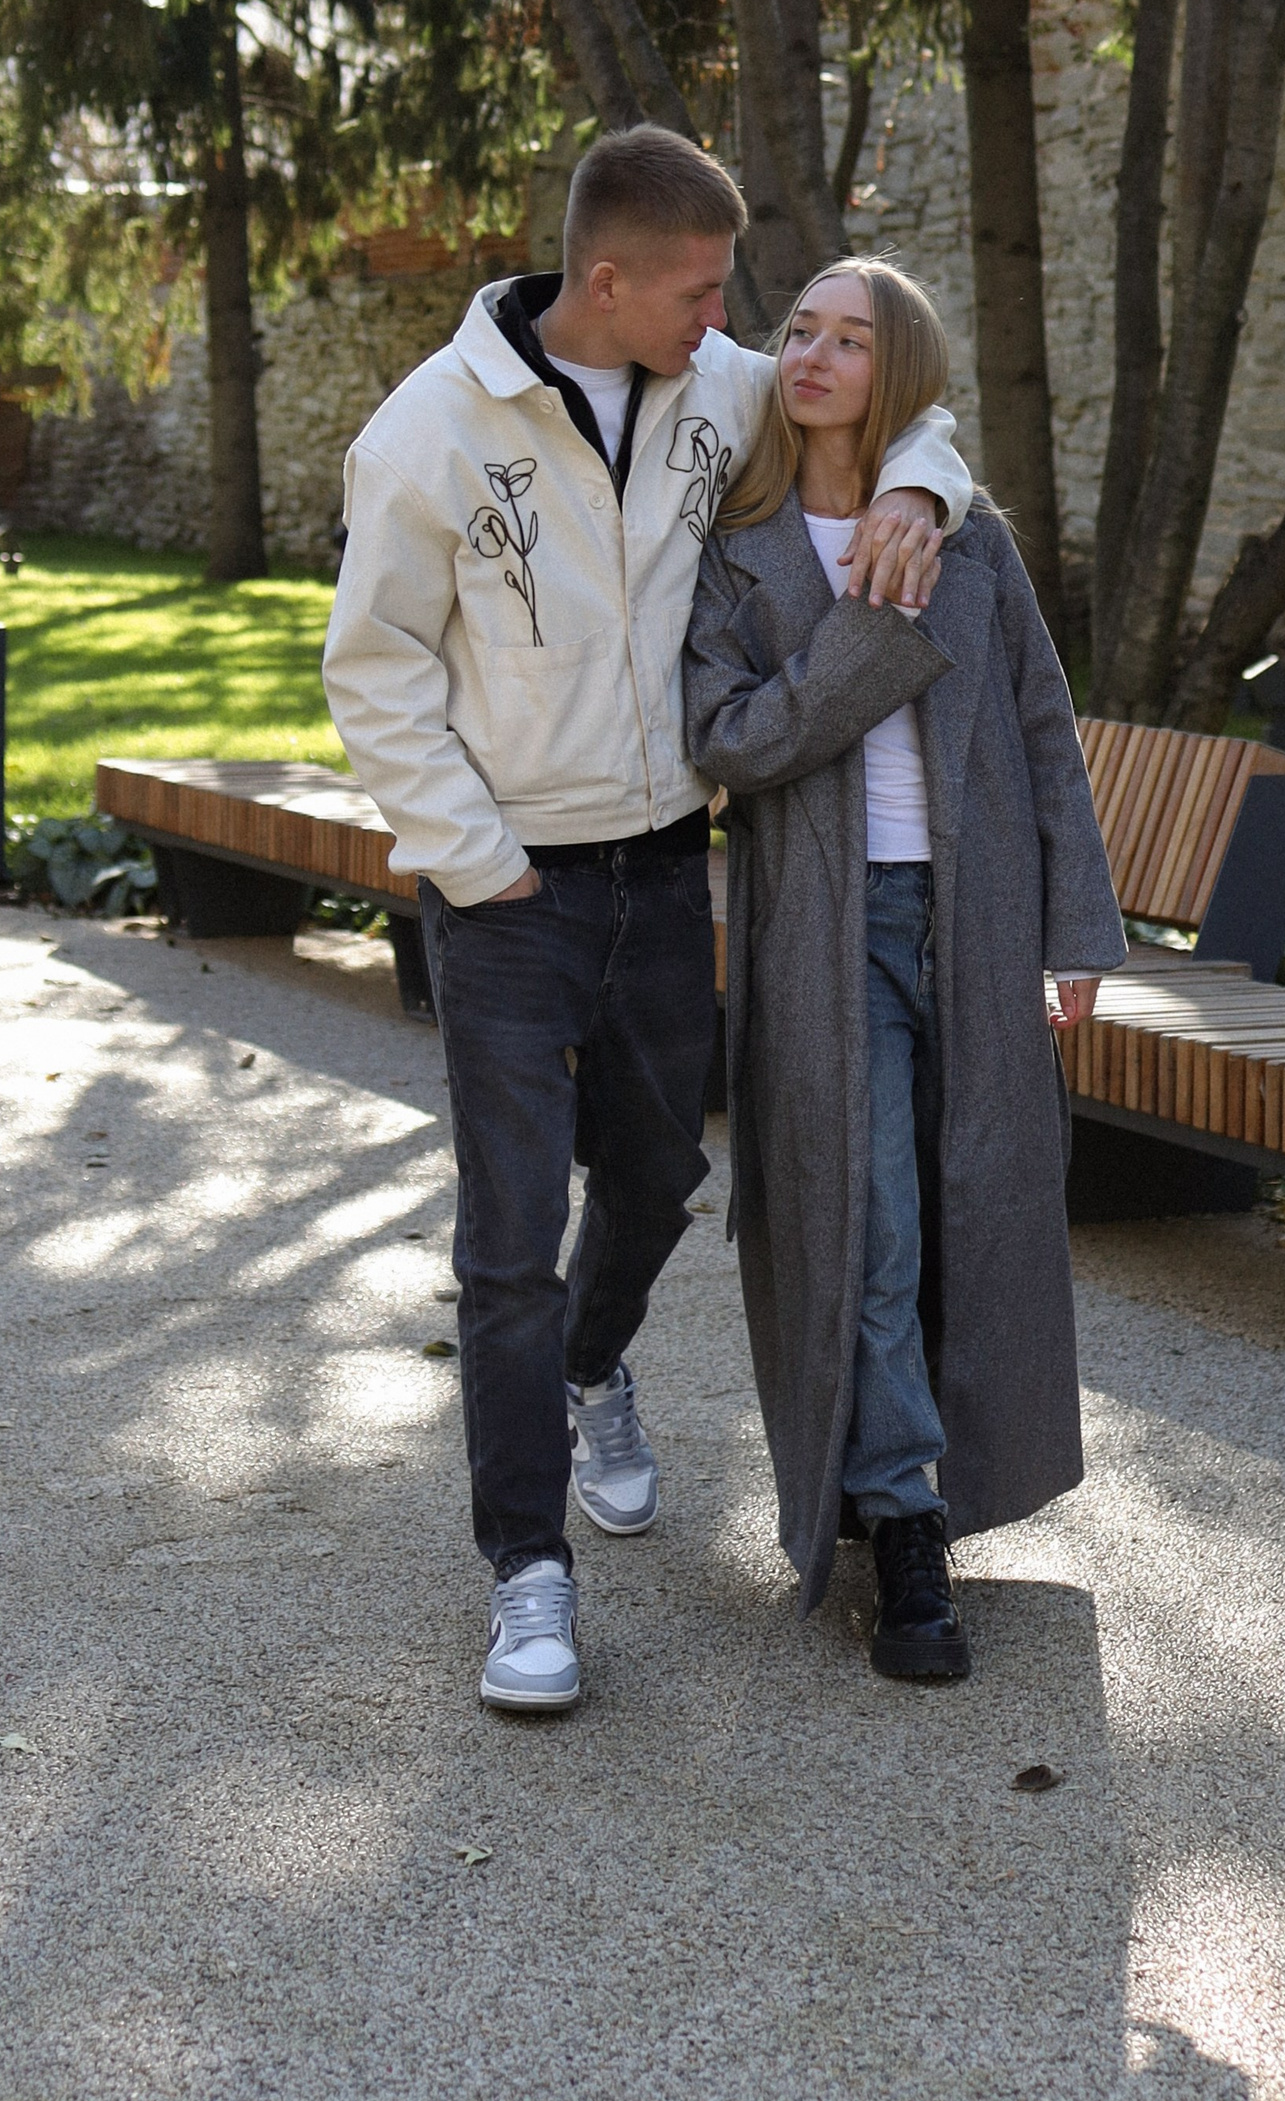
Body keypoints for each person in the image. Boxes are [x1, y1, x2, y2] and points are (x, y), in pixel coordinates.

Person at [322, 129, 973, 1712]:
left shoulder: (713, 387)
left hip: (668, 874)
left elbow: (895, 401)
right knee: (506, 1243)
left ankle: (595, 1365)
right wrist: (479, 861)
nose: (726, 320)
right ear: (607, 281)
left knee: (660, 1178)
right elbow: (376, 669)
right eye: (699, 292)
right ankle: (528, 1582)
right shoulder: (427, 434)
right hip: (508, 899)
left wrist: (920, 486)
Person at [683, 259, 1124, 1680]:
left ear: (904, 373)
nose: (811, 356)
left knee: (974, 1203)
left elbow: (1044, 728)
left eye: (850, 340)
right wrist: (872, 637)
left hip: (975, 916)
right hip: (823, 936)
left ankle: (932, 1475)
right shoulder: (736, 544)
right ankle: (905, 1520)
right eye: (797, 331)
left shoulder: (967, 539)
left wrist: (1076, 929)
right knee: (863, 1219)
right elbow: (728, 740)